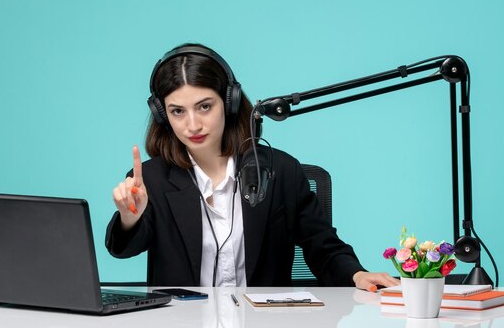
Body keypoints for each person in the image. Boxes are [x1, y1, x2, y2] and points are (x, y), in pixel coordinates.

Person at [105, 43, 398, 290]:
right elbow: (123, 249)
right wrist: (130, 216)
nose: (192, 124)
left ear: (230, 102)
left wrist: (356, 274)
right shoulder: (151, 180)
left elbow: (322, 245)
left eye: (205, 106)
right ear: (162, 115)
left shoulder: (281, 171)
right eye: (177, 111)